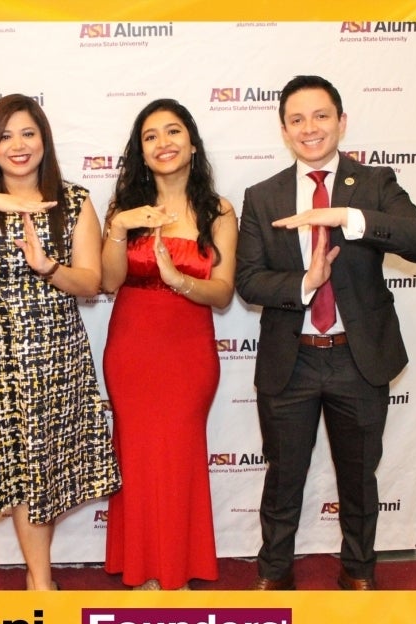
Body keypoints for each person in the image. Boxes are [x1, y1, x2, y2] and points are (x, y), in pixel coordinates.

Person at [235, 75, 416, 590]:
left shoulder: (374, 185)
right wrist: (305, 282)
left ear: (342, 122)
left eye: (321, 116)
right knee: (282, 480)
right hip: (291, 360)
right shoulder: (262, 196)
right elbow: (248, 281)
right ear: (284, 130)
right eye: (297, 119)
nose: (310, 128)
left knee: (359, 482)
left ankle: (359, 576)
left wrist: (346, 216)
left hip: (358, 359)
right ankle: (273, 577)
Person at [0, 93, 120, 591]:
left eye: (28, 133)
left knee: (42, 469)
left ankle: (40, 580)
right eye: (5, 135)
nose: (18, 145)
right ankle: (41, 578)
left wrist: (48, 267)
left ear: (44, 139)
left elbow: (93, 281)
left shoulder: (72, 201)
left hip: (56, 357)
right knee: (12, 467)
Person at [101, 98, 237, 590]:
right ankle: (141, 570)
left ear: (193, 144)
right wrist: (118, 230)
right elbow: (109, 282)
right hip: (132, 346)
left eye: (173, 131)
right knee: (136, 457)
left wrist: (176, 278)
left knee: (178, 456)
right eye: (151, 135)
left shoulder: (218, 210)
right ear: (141, 150)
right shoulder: (125, 210)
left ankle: (177, 568)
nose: (164, 143)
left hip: (188, 350)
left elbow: (222, 293)